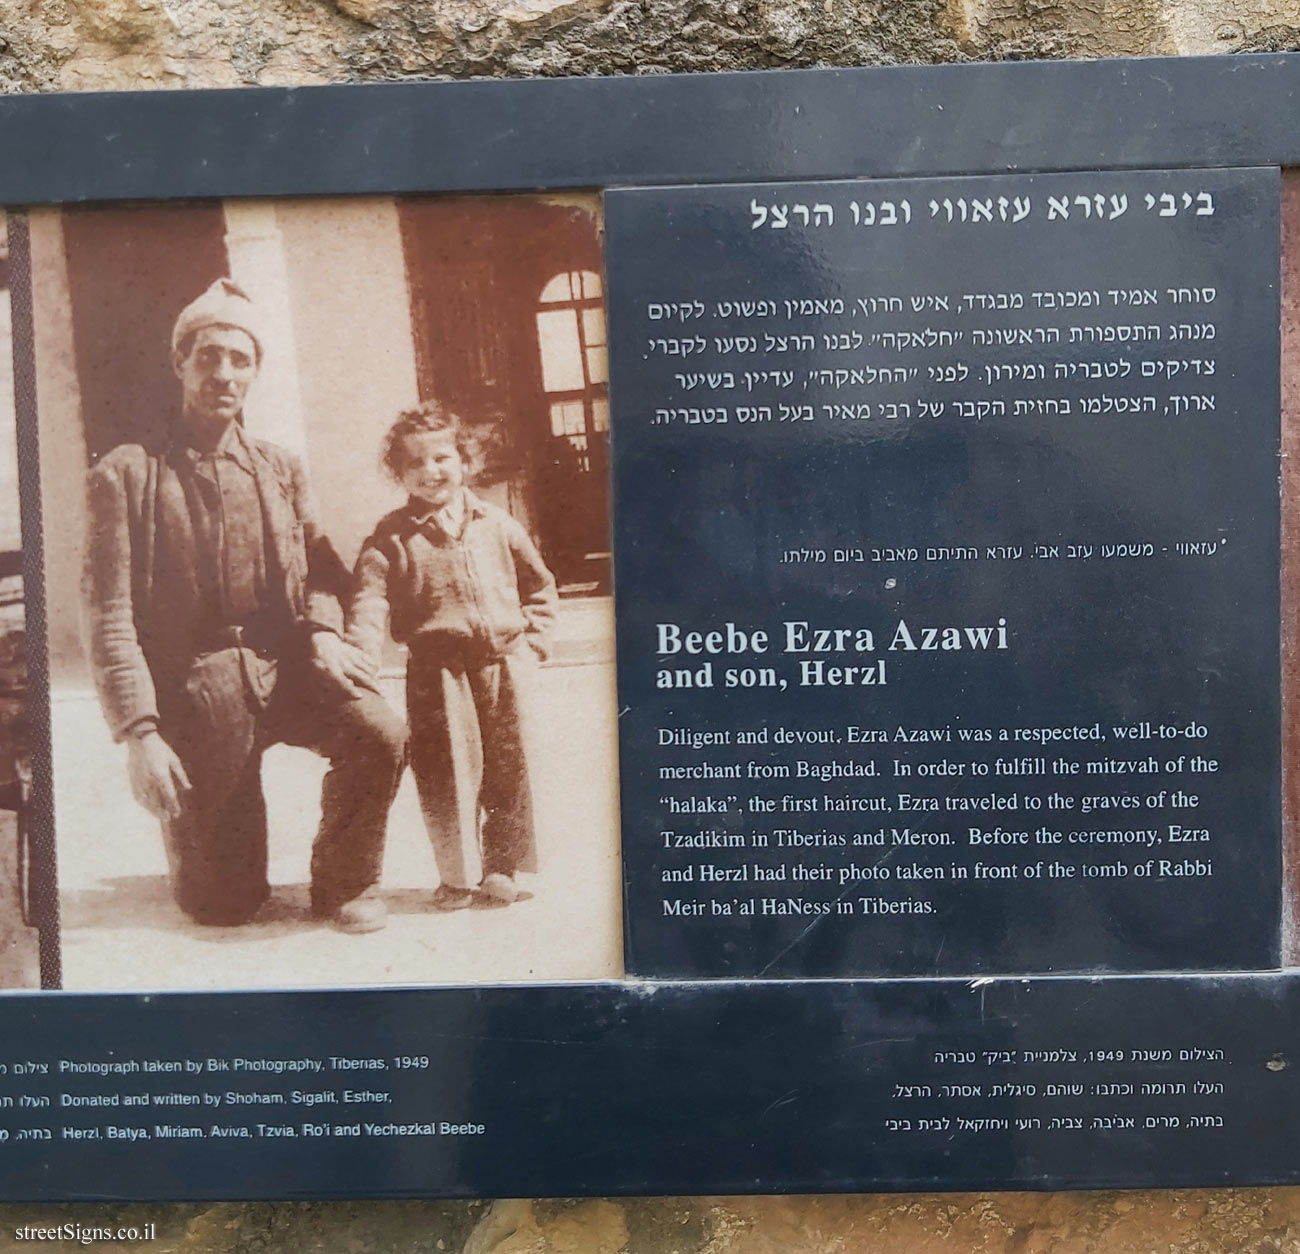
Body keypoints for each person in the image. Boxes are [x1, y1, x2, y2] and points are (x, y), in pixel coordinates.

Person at [82, 278, 406, 933]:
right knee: (223, 905)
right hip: (197, 687)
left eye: (241, 358)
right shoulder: (125, 474)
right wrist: (140, 734)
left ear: (256, 371)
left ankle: (345, 880)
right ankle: (203, 852)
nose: (224, 373)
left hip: (285, 663)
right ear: (180, 362)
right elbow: (108, 616)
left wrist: (320, 632)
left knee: (380, 731)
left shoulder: (281, 467)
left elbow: (321, 569)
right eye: (208, 356)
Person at [348, 402, 557, 910]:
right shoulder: (392, 537)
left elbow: (540, 585)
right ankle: (457, 876)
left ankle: (502, 866)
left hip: (502, 665)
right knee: (448, 775)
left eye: (442, 458)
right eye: (415, 464)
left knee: (510, 769)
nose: (431, 472)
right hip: (438, 675)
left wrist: (536, 637)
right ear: (398, 473)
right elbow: (369, 596)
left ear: (465, 461)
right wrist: (360, 648)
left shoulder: (497, 523)